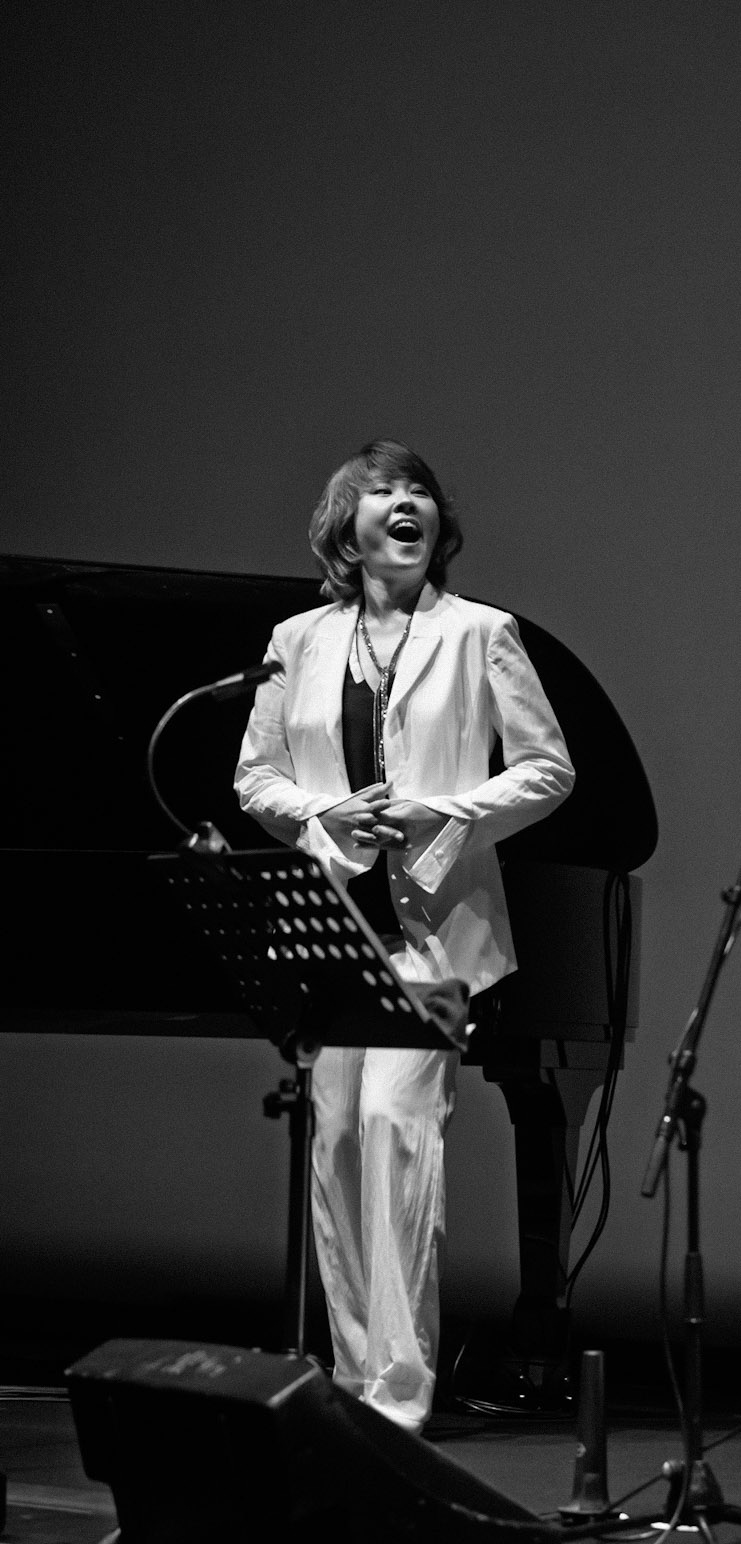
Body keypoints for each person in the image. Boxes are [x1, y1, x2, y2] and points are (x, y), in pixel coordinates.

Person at [235, 441, 574, 1431]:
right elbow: (256, 777)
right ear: (345, 526)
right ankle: (353, 1383)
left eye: (418, 488)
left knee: (394, 1129)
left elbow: (548, 769)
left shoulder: (480, 633)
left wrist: (443, 811)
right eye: (384, 489)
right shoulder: (297, 639)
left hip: (432, 932)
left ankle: (398, 1395)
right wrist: (324, 814)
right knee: (338, 1148)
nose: (406, 501)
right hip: (335, 927)